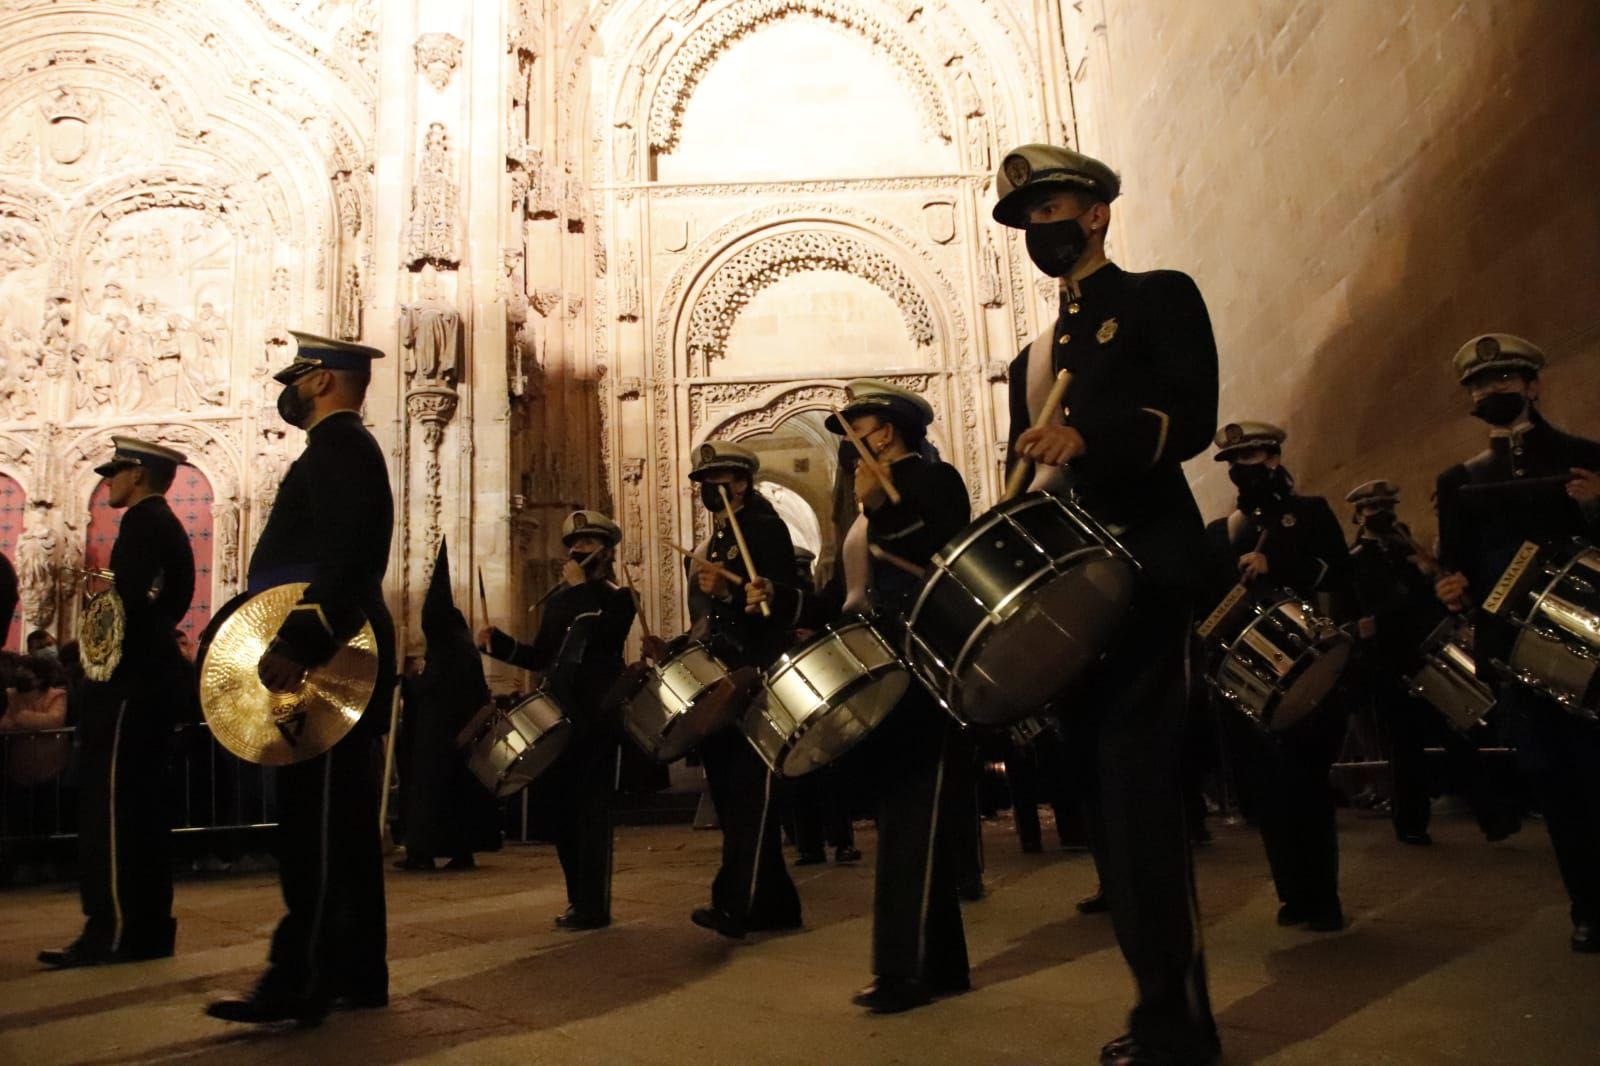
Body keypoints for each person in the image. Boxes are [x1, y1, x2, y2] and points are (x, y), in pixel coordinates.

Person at [992, 143, 1219, 1066]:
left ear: (1097, 214)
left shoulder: (1157, 296)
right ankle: (1160, 1008)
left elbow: (1192, 418)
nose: (1041, 228)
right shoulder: (1030, 359)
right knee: (1113, 809)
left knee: (1138, 796)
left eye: (1054, 210)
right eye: (1028, 218)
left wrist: (1087, 435)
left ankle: (1176, 1023)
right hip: (1070, 591)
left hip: (1145, 569)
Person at [751, 379, 974, 1012]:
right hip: (874, 655)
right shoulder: (864, 506)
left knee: (912, 813)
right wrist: (782, 600)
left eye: (863, 424)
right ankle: (942, 964)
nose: (854, 439)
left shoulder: (935, 482)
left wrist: (885, 508)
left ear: (890, 428)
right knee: (906, 812)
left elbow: (943, 555)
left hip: (919, 656)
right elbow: (842, 595)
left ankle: (903, 970)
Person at [206, 331, 396, 1024]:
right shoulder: (343, 449)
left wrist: (300, 638)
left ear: (318, 382)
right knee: (340, 825)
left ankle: (301, 977)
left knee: (313, 829)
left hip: (325, 659)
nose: (287, 390)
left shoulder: (339, 448)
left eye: (296, 377)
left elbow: (348, 557)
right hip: (332, 654)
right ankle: (355, 971)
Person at [1432, 333, 1600, 953]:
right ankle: (1588, 907)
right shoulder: (1459, 481)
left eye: (1504, 380)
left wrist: (1597, 508)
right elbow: (1454, 562)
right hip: (1518, 655)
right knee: (1556, 783)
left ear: (1531, 385)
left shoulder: (1585, 456)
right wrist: (1448, 586)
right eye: (1480, 385)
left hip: (1591, 644)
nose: (1490, 392)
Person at [38, 438, 195, 969]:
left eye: (116, 473)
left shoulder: (144, 524)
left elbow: (125, 606)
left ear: (139, 474)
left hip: (130, 681)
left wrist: (98, 668)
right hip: (152, 678)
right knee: (143, 810)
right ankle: (148, 928)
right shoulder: (164, 524)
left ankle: (112, 929)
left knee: (112, 808)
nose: (108, 481)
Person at [1202, 422, 1356, 934]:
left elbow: (1337, 575)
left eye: (1250, 458)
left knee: (1307, 784)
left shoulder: (1308, 513)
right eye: (1233, 463)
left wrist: (1279, 563)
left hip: (1304, 662)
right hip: (1251, 672)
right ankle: (1292, 892)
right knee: (1268, 791)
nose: (1241, 470)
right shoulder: (1220, 532)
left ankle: (1324, 895)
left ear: (1273, 458)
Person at [655, 441, 802, 939]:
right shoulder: (715, 540)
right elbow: (712, 618)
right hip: (721, 673)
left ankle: (735, 903)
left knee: (748, 792)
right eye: (702, 483)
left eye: (716, 481)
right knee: (732, 791)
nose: (707, 491)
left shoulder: (765, 528)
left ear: (740, 481)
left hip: (751, 676)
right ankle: (779, 905)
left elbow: (782, 600)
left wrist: (737, 591)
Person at [479, 510, 635, 928]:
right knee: (564, 814)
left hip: (597, 715)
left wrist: (581, 589)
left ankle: (595, 904)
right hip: (559, 713)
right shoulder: (563, 600)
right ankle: (576, 899)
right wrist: (501, 646)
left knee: (591, 813)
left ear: (605, 551)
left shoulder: (618, 597)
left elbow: (600, 636)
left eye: (586, 544)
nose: (576, 551)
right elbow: (543, 655)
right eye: (573, 545)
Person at [1344, 479, 1519, 846]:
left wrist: (1433, 581)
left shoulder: (1411, 549)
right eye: (1373, 509)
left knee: (1458, 732)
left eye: (1387, 507)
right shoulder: (1357, 562)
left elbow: (1436, 595)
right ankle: (1411, 824)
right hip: (1391, 661)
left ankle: (1494, 816)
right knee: (1404, 746)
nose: (1383, 515)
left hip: (1427, 652)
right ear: (1359, 515)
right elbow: (1365, 610)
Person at [396, 546, 501, 874]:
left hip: (440, 736)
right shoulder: (462, 645)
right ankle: (460, 850)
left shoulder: (446, 648)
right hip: (457, 733)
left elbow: (434, 688)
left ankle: (423, 851)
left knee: (432, 792)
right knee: (457, 792)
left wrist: (410, 681)